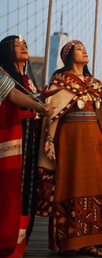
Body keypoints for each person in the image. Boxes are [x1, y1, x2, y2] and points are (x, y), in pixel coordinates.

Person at [36, 40, 102, 256]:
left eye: (84, 48)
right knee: (70, 185)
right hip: (69, 141)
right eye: (79, 49)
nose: (84, 50)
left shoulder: (93, 82)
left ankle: (93, 241)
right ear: (69, 55)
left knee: (96, 186)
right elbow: (51, 113)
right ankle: (69, 242)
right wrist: (49, 140)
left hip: (94, 140)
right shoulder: (59, 81)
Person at [0, 36, 53, 258]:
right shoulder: (1, 73)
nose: (23, 47)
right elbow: (13, 96)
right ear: (5, 51)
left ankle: (19, 245)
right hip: (13, 141)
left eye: (25, 44)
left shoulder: (27, 80)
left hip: (30, 139)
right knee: (11, 192)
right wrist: (41, 106)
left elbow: (27, 97)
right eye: (16, 45)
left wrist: (41, 98)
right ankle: (6, 243)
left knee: (27, 193)